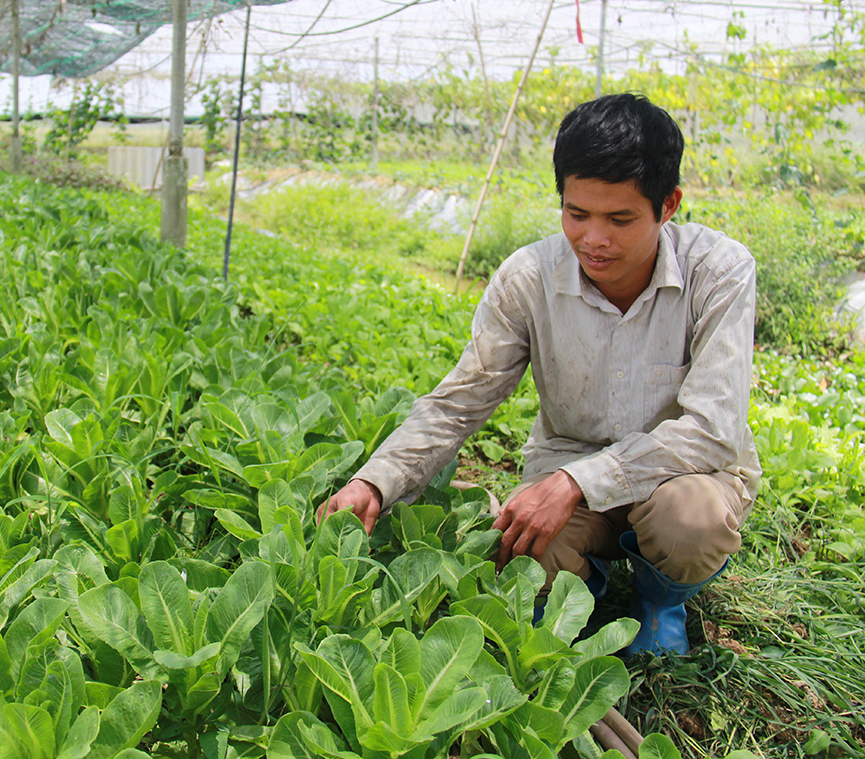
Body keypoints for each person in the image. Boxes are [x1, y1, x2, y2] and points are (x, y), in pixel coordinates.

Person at [318, 93, 760, 655]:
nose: (594, 240)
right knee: (523, 553)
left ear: (668, 205)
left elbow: (712, 428)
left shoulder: (718, 271)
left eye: (620, 219)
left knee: (690, 523)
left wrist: (576, 482)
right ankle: (585, 586)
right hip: (568, 475)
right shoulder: (529, 278)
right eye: (577, 214)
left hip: (681, 479)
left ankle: (658, 598)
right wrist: (374, 480)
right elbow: (459, 403)